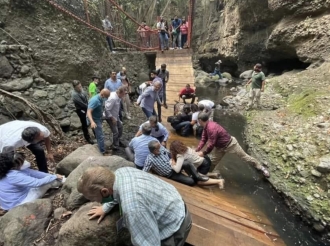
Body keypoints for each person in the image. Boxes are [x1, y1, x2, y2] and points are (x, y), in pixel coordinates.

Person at [77, 166, 192, 245]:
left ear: (104, 192)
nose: (95, 201)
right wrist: (106, 207)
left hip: (175, 225)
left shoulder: (133, 208)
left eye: (93, 198)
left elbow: (150, 244)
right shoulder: (120, 172)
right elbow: (115, 192)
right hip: (171, 199)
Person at [195, 113, 270, 178]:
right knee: (213, 162)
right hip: (220, 148)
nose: (198, 122)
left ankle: (261, 167)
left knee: (245, 157)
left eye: (198, 121)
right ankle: (205, 174)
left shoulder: (211, 128)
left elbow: (211, 144)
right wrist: (198, 149)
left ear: (200, 120)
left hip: (231, 144)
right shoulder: (206, 127)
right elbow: (203, 139)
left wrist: (203, 153)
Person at [87, 89, 111, 155]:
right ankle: (102, 152)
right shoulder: (95, 100)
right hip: (95, 119)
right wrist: (92, 122)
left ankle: (100, 147)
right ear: (102, 95)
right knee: (100, 136)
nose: (107, 98)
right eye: (106, 97)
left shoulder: (101, 97)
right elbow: (88, 112)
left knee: (98, 135)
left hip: (99, 117)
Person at [71, 80, 93, 144]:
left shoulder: (82, 90)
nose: (80, 88)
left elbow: (86, 98)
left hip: (87, 106)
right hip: (81, 109)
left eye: (80, 86)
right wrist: (89, 107)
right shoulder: (74, 94)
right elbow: (81, 104)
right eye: (78, 87)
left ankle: (95, 134)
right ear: (75, 88)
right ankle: (87, 138)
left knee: (91, 120)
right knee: (84, 124)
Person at [104, 86, 126, 151]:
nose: (124, 95)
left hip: (116, 115)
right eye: (123, 94)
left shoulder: (118, 96)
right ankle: (115, 146)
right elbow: (107, 109)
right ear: (120, 92)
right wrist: (112, 118)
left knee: (120, 127)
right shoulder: (113, 98)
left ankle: (117, 140)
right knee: (115, 131)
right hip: (110, 117)